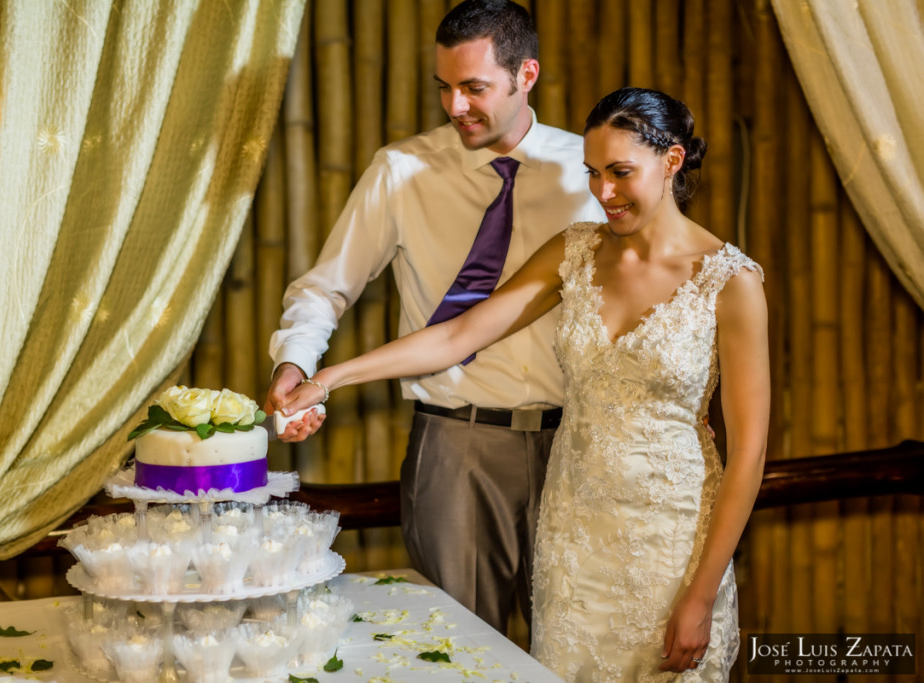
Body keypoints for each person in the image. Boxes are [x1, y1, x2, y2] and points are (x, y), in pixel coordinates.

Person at [279, 87, 769, 680]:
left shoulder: (730, 281)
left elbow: (748, 453)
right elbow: (458, 336)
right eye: (593, 173)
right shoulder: (575, 251)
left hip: (672, 542)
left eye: (620, 173)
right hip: (574, 539)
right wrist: (330, 377)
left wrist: (700, 592)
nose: (603, 193)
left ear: (672, 161)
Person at [264, 0, 604, 633]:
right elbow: (323, 290)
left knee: (574, 647)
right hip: (457, 444)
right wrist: (296, 363)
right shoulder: (402, 171)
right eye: (444, 88)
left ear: (525, 75)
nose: (455, 107)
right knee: (463, 651)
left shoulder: (592, 172)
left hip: (579, 445)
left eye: (474, 88)